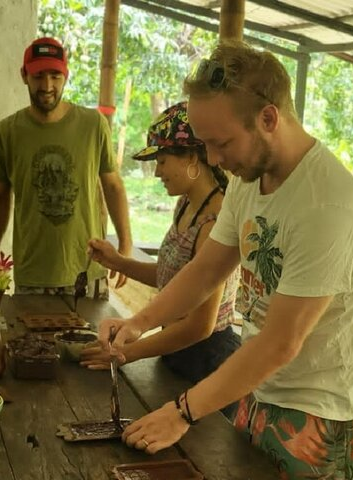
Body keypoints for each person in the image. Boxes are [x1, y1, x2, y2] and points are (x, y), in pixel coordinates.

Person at [96, 42, 353, 479]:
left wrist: (182, 411)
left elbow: (282, 342)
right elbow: (206, 269)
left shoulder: (326, 204)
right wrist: (141, 321)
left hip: (324, 412)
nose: (213, 159)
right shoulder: (250, 179)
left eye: (220, 142)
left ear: (269, 118)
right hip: (258, 389)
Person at [81, 102, 240, 417]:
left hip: (206, 361)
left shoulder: (216, 220)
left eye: (163, 161)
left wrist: (128, 352)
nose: (156, 172)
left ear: (193, 159)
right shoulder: (185, 204)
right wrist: (118, 262)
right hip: (174, 351)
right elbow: (176, 280)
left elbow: (199, 325)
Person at [0, 37, 132, 298]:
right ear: (24, 75)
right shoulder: (4, 132)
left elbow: (113, 186)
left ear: (66, 76)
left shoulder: (94, 125)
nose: (47, 85)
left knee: (93, 339)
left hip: (88, 270)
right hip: (32, 273)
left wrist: (126, 247)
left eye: (55, 76)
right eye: (39, 76)